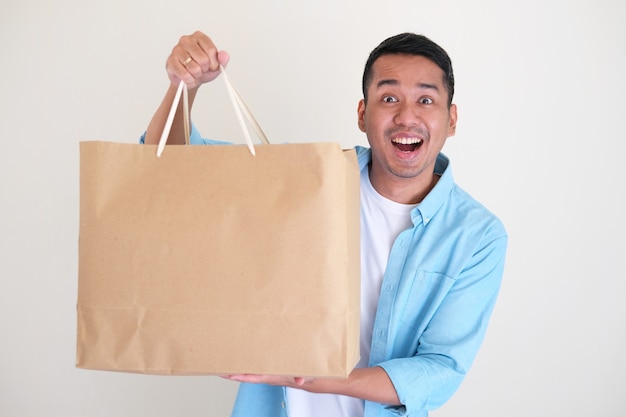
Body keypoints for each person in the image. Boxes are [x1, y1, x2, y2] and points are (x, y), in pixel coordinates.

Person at [143, 31, 508, 417]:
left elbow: (438, 371)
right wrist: (182, 88)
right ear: (362, 114)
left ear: (450, 120)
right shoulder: (309, 180)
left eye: (425, 100)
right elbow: (171, 170)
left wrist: (304, 376)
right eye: (389, 98)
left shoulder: (477, 235)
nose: (406, 116)